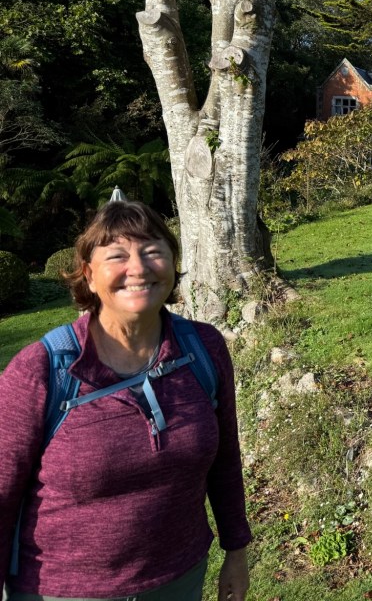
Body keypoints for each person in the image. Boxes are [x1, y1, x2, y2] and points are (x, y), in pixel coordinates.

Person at [0, 201, 251, 600]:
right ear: (89, 275)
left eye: (152, 251)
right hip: (64, 590)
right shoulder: (41, 370)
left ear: (172, 263)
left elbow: (225, 460)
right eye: (117, 255)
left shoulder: (202, 349)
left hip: (181, 579)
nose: (138, 268)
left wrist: (236, 551)